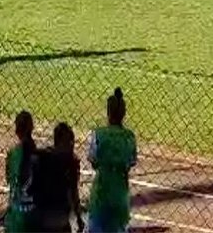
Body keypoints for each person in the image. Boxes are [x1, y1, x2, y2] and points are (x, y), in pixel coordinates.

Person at [87, 88, 138, 233]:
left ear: (108, 112)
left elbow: (93, 161)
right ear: (124, 114)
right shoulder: (129, 137)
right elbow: (131, 162)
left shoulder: (98, 134)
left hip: (101, 192)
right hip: (120, 192)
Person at [31, 123, 84, 233]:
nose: (72, 145)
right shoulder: (70, 162)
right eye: (69, 142)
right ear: (59, 142)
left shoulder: (42, 156)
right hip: (56, 215)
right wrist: (79, 218)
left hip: (42, 215)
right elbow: (74, 193)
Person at [5, 110, 37, 233]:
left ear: (17, 131)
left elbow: (9, 179)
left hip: (14, 215)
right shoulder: (39, 156)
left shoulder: (12, 154)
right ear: (32, 128)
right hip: (32, 216)